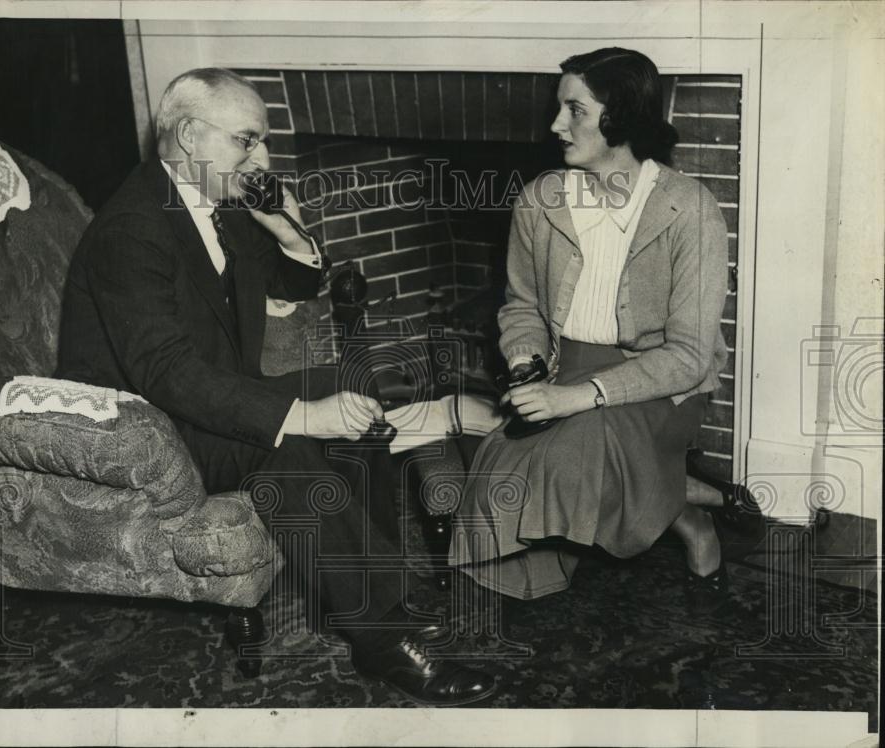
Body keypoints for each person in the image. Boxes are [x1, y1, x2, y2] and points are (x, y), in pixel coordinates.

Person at [56, 68, 496, 705]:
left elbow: (292, 285)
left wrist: (288, 231)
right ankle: (382, 640)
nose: (261, 158)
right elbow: (166, 372)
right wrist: (301, 416)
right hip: (146, 430)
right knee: (287, 443)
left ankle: (366, 597)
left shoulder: (216, 203)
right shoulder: (131, 231)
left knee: (352, 388)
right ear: (187, 135)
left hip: (204, 396)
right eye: (247, 140)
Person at [449, 48, 730, 603]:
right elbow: (521, 305)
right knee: (499, 473)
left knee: (570, 452)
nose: (556, 125)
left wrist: (575, 398)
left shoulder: (689, 210)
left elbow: (690, 356)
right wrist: (528, 364)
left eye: (574, 110)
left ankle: (687, 515)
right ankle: (671, 492)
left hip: (659, 385)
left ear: (619, 116)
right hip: (564, 367)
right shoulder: (540, 202)